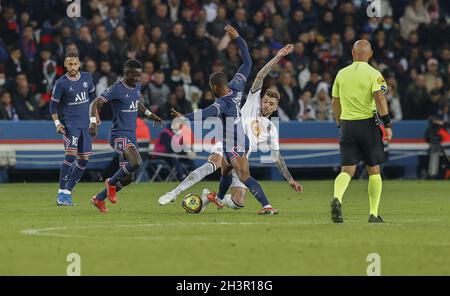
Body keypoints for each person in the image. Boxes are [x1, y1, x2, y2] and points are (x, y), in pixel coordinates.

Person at [159, 44, 302, 210]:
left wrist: (290, 178)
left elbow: (277, 157)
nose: (267, 105)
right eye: (265, 101)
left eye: (271, 104)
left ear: (276, 107)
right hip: (228, 140)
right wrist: (277, 58)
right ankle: (174, 192)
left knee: (238, 202)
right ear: (261, 99)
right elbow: (260, 76)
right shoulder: (252, 102)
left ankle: (209, 198)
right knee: (212, 164)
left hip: (241, 155)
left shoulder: (271, 128)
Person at [171, 25, 279, 215]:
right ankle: (242, 201)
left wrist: (184, 117)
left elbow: (206, 113)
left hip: (235, 140)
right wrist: (238, 38)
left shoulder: (222, 103)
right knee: (225, 170)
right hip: (235, 139)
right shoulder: (236, 86)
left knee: (239, 181)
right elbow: (247, 62)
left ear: (214, 87)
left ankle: (216, 197)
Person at [89, 59, 163, 213]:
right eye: (134, 76)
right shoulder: (116, 88)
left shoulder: (136, 87)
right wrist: (93, 122)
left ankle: (98, 199)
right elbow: (95, 103)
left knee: (128, 178)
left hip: (131, 135)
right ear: (126, 73)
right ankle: (111, 182)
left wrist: (150, 115)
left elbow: (136, 103)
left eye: (139, 76)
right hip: (119, 135)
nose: (138, 79)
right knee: (136, 161)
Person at [331, 40, 393, 224]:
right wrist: (387, 123)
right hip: (367, 126)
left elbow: (335, 102)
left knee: (347, 170)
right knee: (374, 171)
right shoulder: (374, 74)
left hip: (347, 126)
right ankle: (373, 213)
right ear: (371, 54)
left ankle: (337, 198)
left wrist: (339, 123)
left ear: (353, 53)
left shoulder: (341, 74)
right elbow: (379, 97)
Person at [49, 51, 97, 206]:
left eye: (75, 64)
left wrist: (94, 120)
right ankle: (60, 192)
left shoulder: (87, 78)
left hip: (86, 125)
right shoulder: (61, 83)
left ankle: (67, 192)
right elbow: (52, 107)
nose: (72, 67)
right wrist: (57, 124)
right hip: (70, 125)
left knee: (84, 160)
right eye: (69, 64)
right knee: (70, 156)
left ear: (79, 64)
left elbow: (92, 100)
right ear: (65, 64)